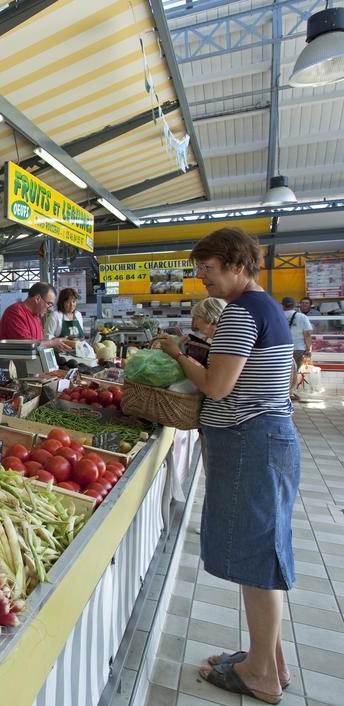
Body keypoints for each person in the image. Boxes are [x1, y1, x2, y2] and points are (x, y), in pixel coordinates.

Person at [154, 227, 298, 704]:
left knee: (257, 560)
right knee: (263, 552)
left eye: (208, 269)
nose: (202, 279)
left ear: (237, 265)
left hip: (248, 441)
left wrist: (177, 354)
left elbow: (218, 387)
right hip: (267, 438)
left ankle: (260, 674)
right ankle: (268, 660)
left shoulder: (240, 313)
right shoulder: (267, 307)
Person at [0, 282, 73, 352]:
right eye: (49, 304)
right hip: (13, 365)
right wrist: (52, 343)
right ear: (37, 299)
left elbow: (40, 343)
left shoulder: (36, 316)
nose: (49, 308)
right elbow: (26, 345)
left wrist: (56, 342)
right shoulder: (15, 312)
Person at [180, 297, 226, 366]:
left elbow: (211, 375)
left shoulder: (223, 345)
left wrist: (177, 354)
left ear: (211, 318)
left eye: (197, 317)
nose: (195, 324)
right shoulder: (217, 339)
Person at [281, 297, 312, 369]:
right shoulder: (302, 317)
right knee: (295, 370)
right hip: (298, 348)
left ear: (282, 305)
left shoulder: (277, 316)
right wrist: (308, 349)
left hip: (282, 348)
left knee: (284, 370)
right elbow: (307, 335)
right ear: (295, 305)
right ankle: (294, 380)